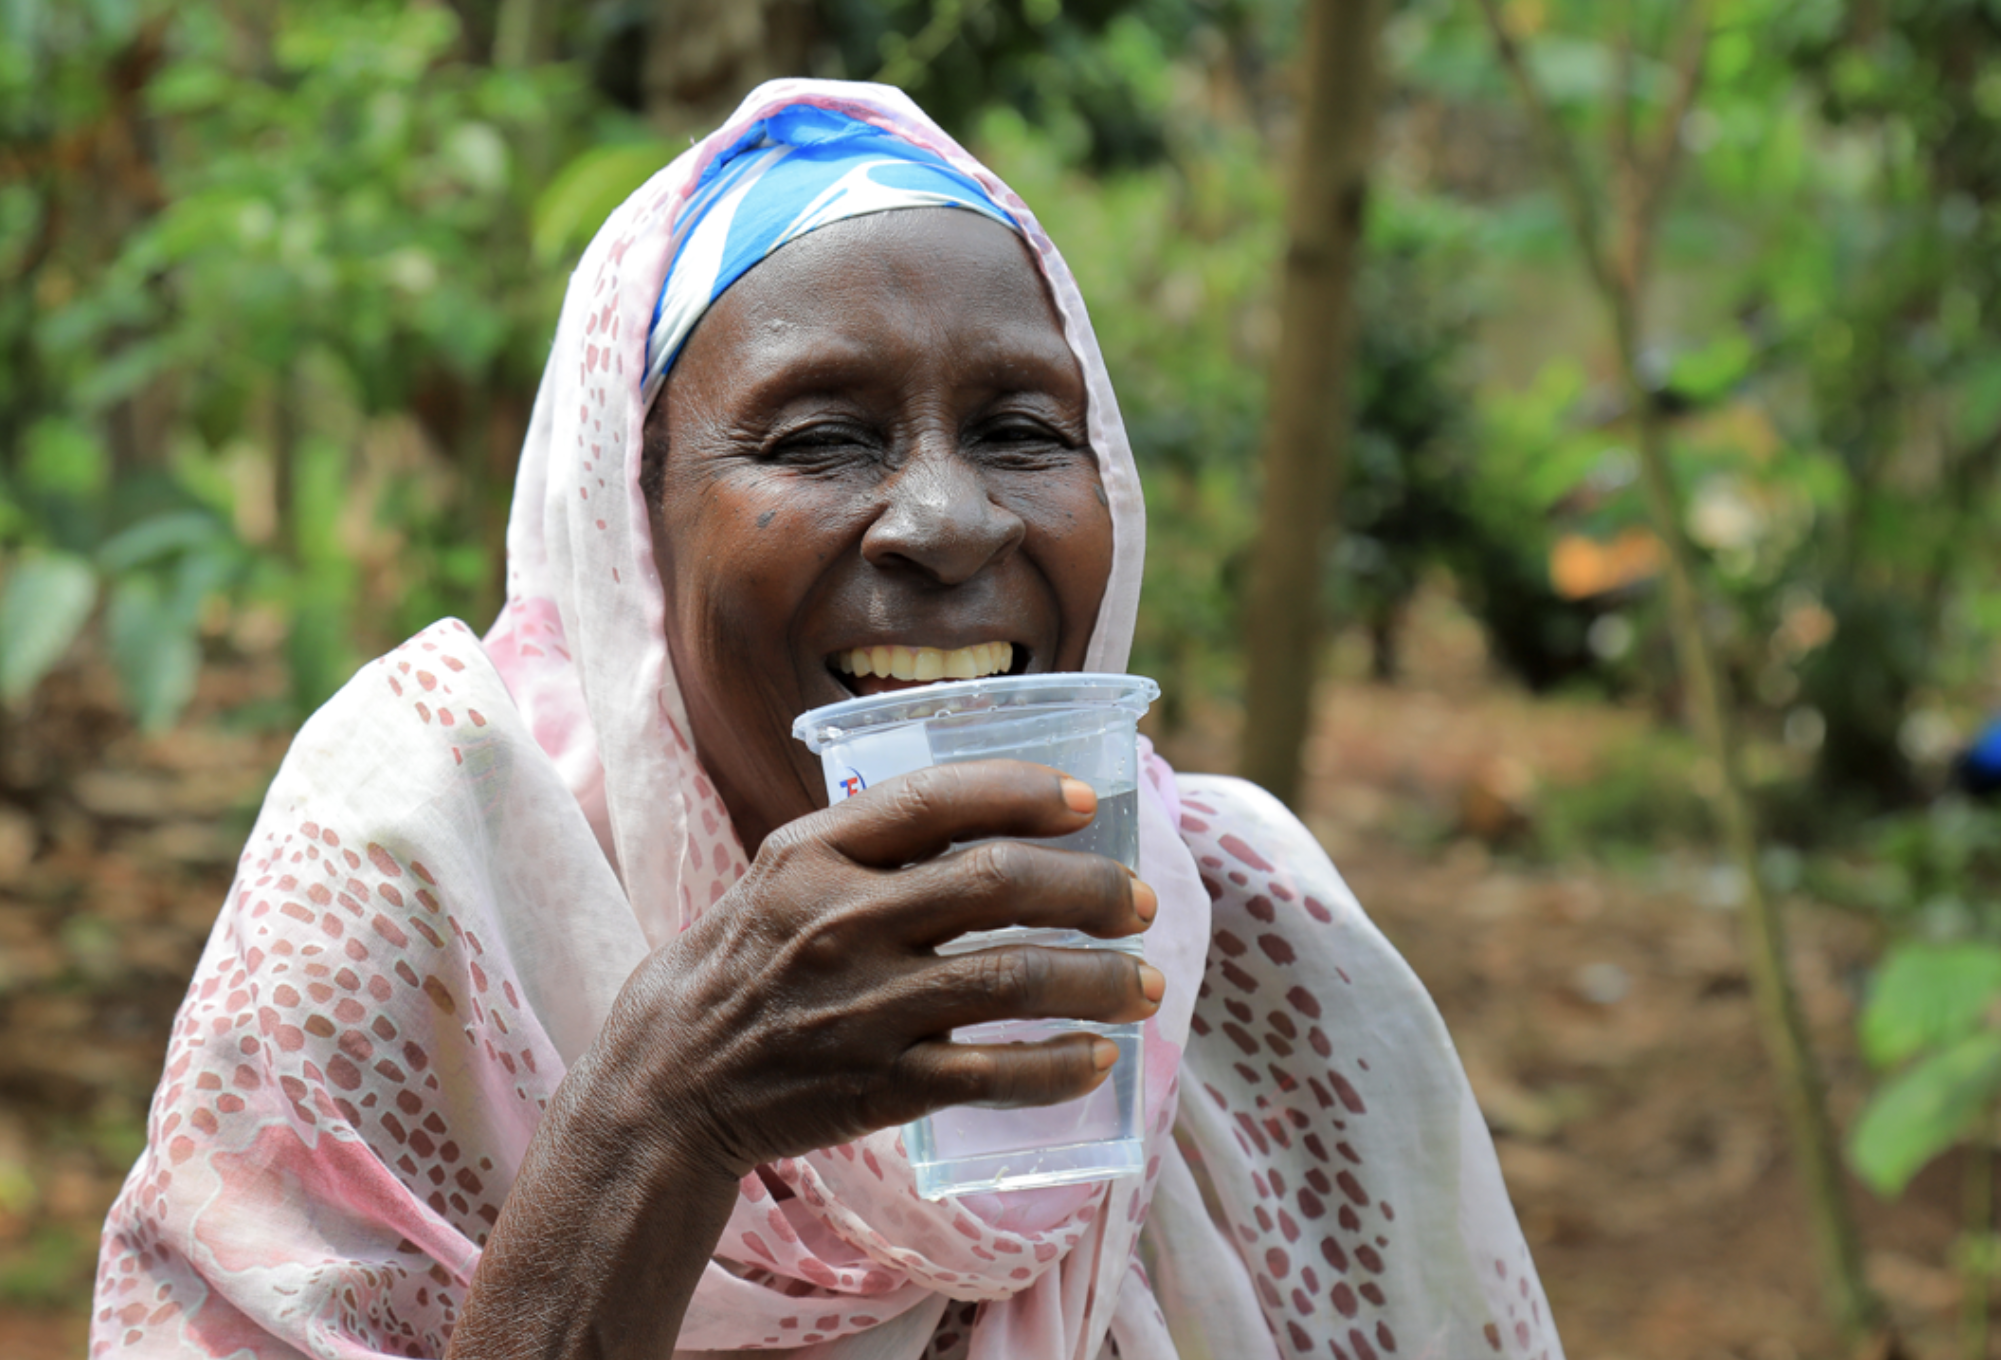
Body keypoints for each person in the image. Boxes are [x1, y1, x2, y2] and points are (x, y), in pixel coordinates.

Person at [92, 80, 1561, 1360]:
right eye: (819, 438)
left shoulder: (1221, 932)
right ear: (632, 528)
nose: (943, 518)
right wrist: (655, 1124)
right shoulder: (421, 882)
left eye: (1021, 431)